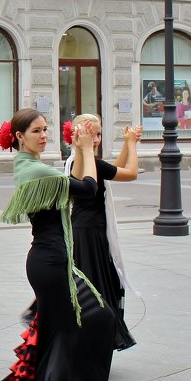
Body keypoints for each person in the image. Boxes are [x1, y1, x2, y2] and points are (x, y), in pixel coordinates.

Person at [0, 108, 115, 381]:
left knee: (67, 330)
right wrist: (85, 149)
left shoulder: (33, 166)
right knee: (70, 332)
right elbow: (88, 189)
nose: (44, 136)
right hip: (48, 264)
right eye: (36, 131)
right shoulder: (35, 171)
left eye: (46, 129)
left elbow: (82, 185)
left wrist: (80, 150)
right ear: (19, 137)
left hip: (54, 261)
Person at [66, 115, 141, 351]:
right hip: (89, 234)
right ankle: (92, 340)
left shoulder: (83, 161)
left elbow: (114, 169)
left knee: (96, 284)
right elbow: (130, 173)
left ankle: (93, 340)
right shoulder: (86, 161)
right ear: (78, 135)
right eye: (92, 134)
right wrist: (130, 144)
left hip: (88, 231)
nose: (96, 140)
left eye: (99, 134)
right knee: (95, 286)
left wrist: (127, 143)